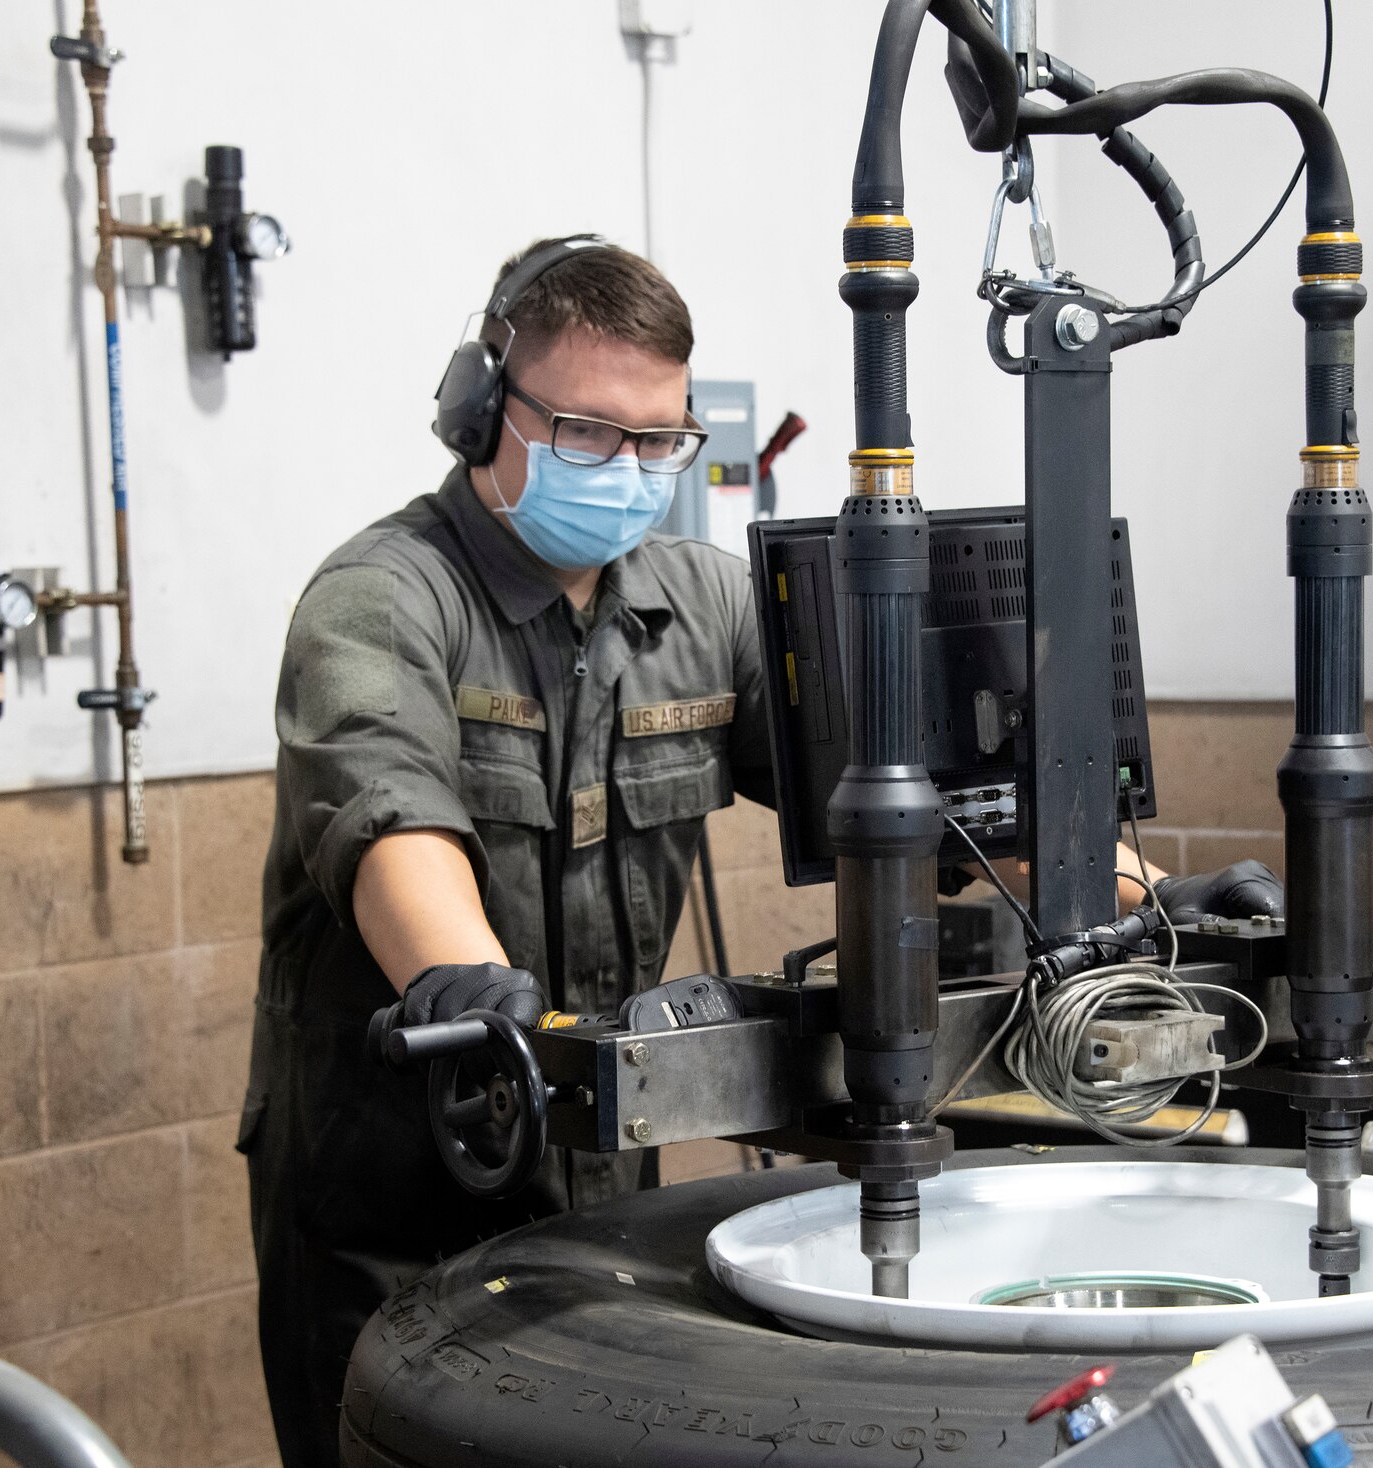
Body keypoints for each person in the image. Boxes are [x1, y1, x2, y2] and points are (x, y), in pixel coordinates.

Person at [239, 233, 1280, 1466]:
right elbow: (391, 820)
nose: (625, 471)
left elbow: (912, 798)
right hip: (389, 1187)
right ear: (480, 412)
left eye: (658, 443)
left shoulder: (702, 605)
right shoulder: (382, 600)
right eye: (585, 434)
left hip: (599, 1180)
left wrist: (1132, 900)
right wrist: (468, 989)